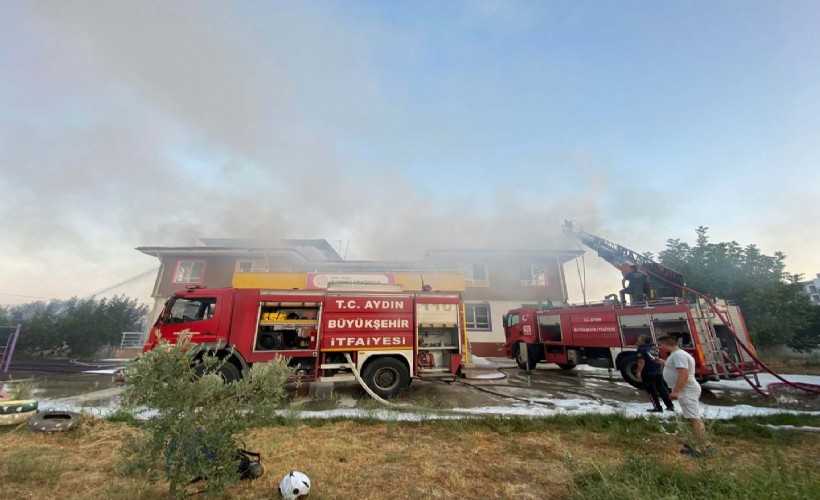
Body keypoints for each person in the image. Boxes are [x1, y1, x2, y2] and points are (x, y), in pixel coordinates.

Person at [656, 334, 709, 456]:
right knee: (693, 418)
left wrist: (676, 391)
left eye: (661, 344)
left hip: (687, 390)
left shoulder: (678, 355)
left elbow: (683, 374)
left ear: (665, 343)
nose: (661, 347)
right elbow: (676, 368)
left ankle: (702, 447)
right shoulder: (678, 354)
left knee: (694, 419)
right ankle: (699, 443)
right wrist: (663, 362)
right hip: (686, 389)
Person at [636, 335, 674, 413]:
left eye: (639, 339)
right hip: (657, 372)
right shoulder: (654, 350)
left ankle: (657, 407)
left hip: (648, 373)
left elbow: (641, 362)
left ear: (643, 341)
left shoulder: (641, 349)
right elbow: (659, 361)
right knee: (662, 389)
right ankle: (670, 406)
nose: (638, 340)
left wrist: (639, 372)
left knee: (651, 390)